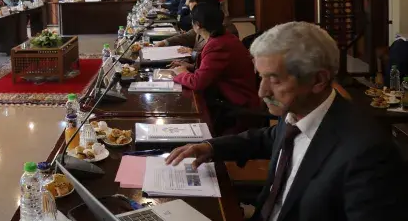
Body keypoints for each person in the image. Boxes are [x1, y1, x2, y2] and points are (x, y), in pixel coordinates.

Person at [166, 22, 404, 221]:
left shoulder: (368, 155)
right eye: (261, 77)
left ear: (318, 80)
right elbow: (266, 138)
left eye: (274, 80)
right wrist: (210, 147)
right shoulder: (297, 112)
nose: (262, 92)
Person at [170, 3, 259, 133]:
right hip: (226, 99)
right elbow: (215, 69)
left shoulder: (218, 45)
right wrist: (190, 66)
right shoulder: (223, 37)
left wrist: (181, 73)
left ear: (197, 25)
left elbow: (198, 82)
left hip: (235, 107)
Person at [156, 0, 239, 63]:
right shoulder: (204, 22)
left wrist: (193, 53)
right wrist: (165, 42)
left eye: (194, 10)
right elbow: (188, 36)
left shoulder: (224, 30)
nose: (192, 14)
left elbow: (213, 59)